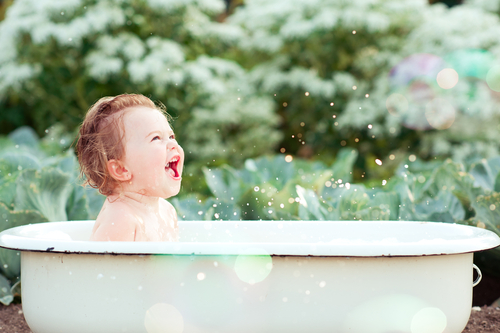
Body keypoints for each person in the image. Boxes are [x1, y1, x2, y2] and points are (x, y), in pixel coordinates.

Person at [76, 94, 184, 241]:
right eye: (156, 138)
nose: (173, 145)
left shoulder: (167, 211)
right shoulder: (121, 220)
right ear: (121, 170)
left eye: (171, 136)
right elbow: (100, 264)